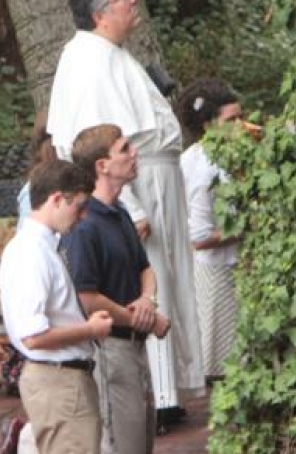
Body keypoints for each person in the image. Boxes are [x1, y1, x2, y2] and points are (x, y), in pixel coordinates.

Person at [46, 0, 205, 416]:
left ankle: (171, 386)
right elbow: (98, 145)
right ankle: (160, 394)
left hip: (156, 178)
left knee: (170, 277)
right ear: (100, 14)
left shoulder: (111, 55)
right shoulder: (88, 62)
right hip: (139, 187)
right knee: (148, 275)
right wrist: (128, 203)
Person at [63, 124, 172, 454]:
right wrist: (141, 319)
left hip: (136, 343)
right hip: (110, 348)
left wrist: (146, 301)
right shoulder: (84, 225)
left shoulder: (121, 212)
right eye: (125, 148)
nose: (134, 153)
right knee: (124, 442)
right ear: (102, 165)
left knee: (142, 436)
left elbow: (145, 268)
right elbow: (87, 298)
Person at [0, 159, 113, 454]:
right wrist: (89, 329)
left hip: (62, 378)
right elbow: (33, 335)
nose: (83, 216)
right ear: (57, 199)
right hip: (57, 379)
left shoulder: (42, 247)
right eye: (79, 206)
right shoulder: (31, 252)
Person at [175, 79, 244, 383]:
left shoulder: (210, 156)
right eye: (232, 120)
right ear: (207, 125)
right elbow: (200, 236)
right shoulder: (204, 168)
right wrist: (247, 229)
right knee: (224, 360)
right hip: (216, 271)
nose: (241, 125)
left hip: (229, 265)